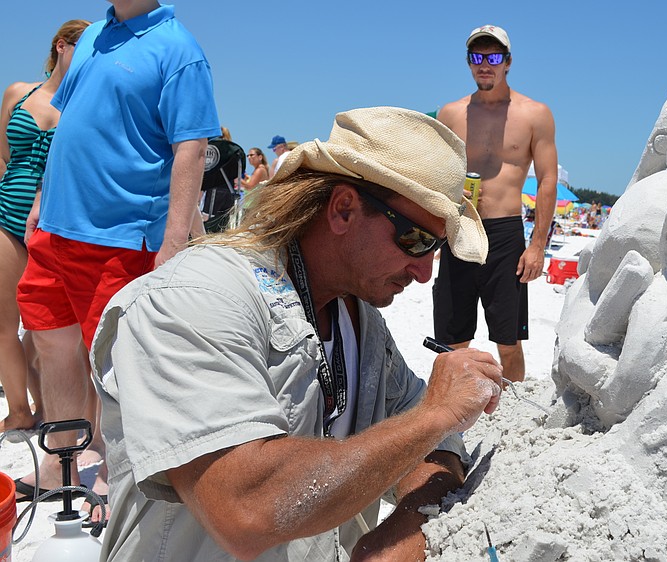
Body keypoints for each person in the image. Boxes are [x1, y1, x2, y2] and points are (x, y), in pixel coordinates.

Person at [89, 106, 499, 561]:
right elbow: (245, 509)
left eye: (436, 248)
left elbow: (439, 450)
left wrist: (399, 535)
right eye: (417, 240)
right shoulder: (195, 298)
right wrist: (434, 414)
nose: (425, 272)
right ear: (343, 209)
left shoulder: (358, 320)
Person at [14, 0, 220, 525]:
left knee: (116, 366)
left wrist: (173, 244)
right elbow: (70, 123)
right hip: (56, 227)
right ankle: (63, 461)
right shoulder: (93, 36)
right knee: (52, 341)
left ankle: (116, 474)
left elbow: (191, 148)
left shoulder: (179, 49)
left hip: (120, 237)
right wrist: (41, 199)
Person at [433, 24, 558, 382]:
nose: (484, 64)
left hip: (505, 235)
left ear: (508, 62)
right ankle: (452, 413)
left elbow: (547, 179)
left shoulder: (535, 114)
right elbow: (435, 177)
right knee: (452, 341)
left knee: (508, 341)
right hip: (460, 231)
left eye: (493, 57)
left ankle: (511, 412)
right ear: (469, 63)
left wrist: (537, 246)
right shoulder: (451, 113)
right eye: (477, 57)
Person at [0, 19, 90, 435]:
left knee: (47, 327)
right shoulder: (19, 93)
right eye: (84, 46)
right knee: (4, 322)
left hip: (57, 222)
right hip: (7, 213)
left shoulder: (85, 102)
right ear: (61, 46)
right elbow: (3, 154)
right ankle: (19, 410)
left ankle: (49, 407)